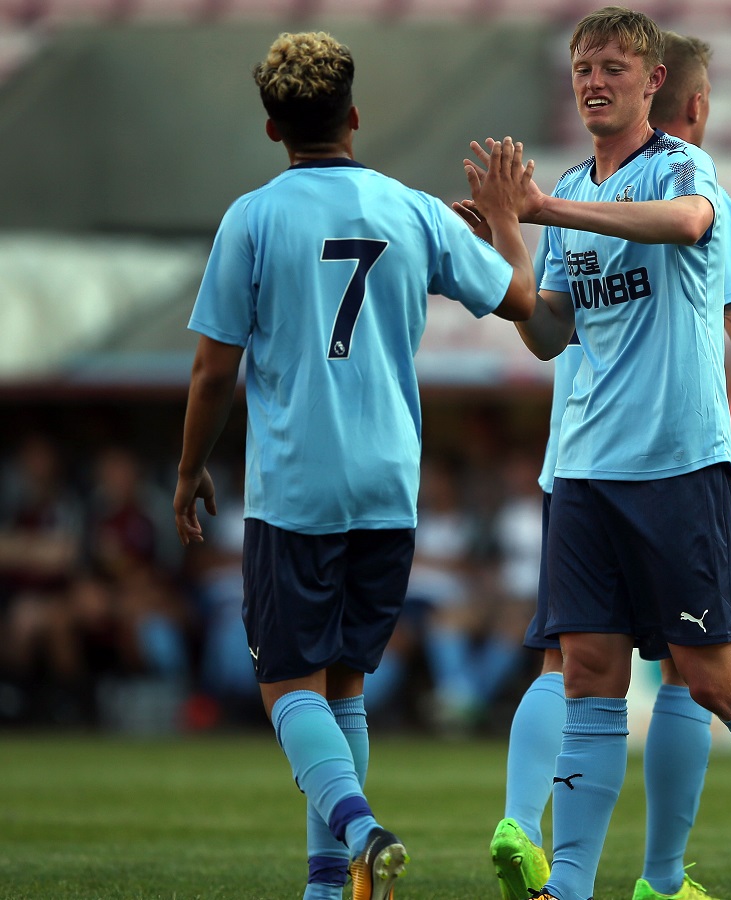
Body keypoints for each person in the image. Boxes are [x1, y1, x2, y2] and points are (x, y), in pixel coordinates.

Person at [463, 11, 731, 900]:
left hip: (676, 467)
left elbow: (688, 225)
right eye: (582, 68)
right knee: (592, 680)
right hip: (582, 472)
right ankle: (570, 888)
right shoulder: (568, 188)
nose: (593, 80)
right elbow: (550, 336)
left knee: (715, 679)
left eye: (612, 66)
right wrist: (509, 245)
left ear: (653, 83)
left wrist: (542, 208)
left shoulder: (683, 167)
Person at [171, 30, 538, 900]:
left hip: (297, 485)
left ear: (272, 129)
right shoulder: (412, 210)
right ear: (356, 116)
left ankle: (361, 830)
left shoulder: (252, 217)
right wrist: (510, 229)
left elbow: (213, 367)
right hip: (388, 485)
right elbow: (524, 305)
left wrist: (187, 471)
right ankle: (331, 885)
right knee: (344, 686)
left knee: (283, 685)